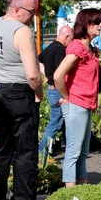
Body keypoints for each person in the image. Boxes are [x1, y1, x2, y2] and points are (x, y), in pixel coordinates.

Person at [0, 0, 45, 200]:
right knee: (25, 151)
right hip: (18, 94)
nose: (33, 16)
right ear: (18, 10)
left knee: (2, 149)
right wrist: (38, 93)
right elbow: (32, 75)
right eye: (32, 12)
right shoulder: (22, 31)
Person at [54, 8, 101, 188]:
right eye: (96, 22)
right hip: (76, 104)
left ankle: (82, 191)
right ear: (86, 24)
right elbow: (58, 75)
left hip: (87, 104)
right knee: (73, 152)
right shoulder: (77, 47)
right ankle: (69, 195)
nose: (100, 25)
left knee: (83, 153)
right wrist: (66, 97)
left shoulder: (89, 48)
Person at [38, 25, 73, 155]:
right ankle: (41, 152)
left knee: (63, 121)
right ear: (67, 36)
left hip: (50, 88)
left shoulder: (50, 47)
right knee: (56, 123)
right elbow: (60, 73)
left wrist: (46, 74)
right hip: (57, 89)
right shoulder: (59, 49)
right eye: (71, 38)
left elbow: (38, 61)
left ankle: (70, 147)